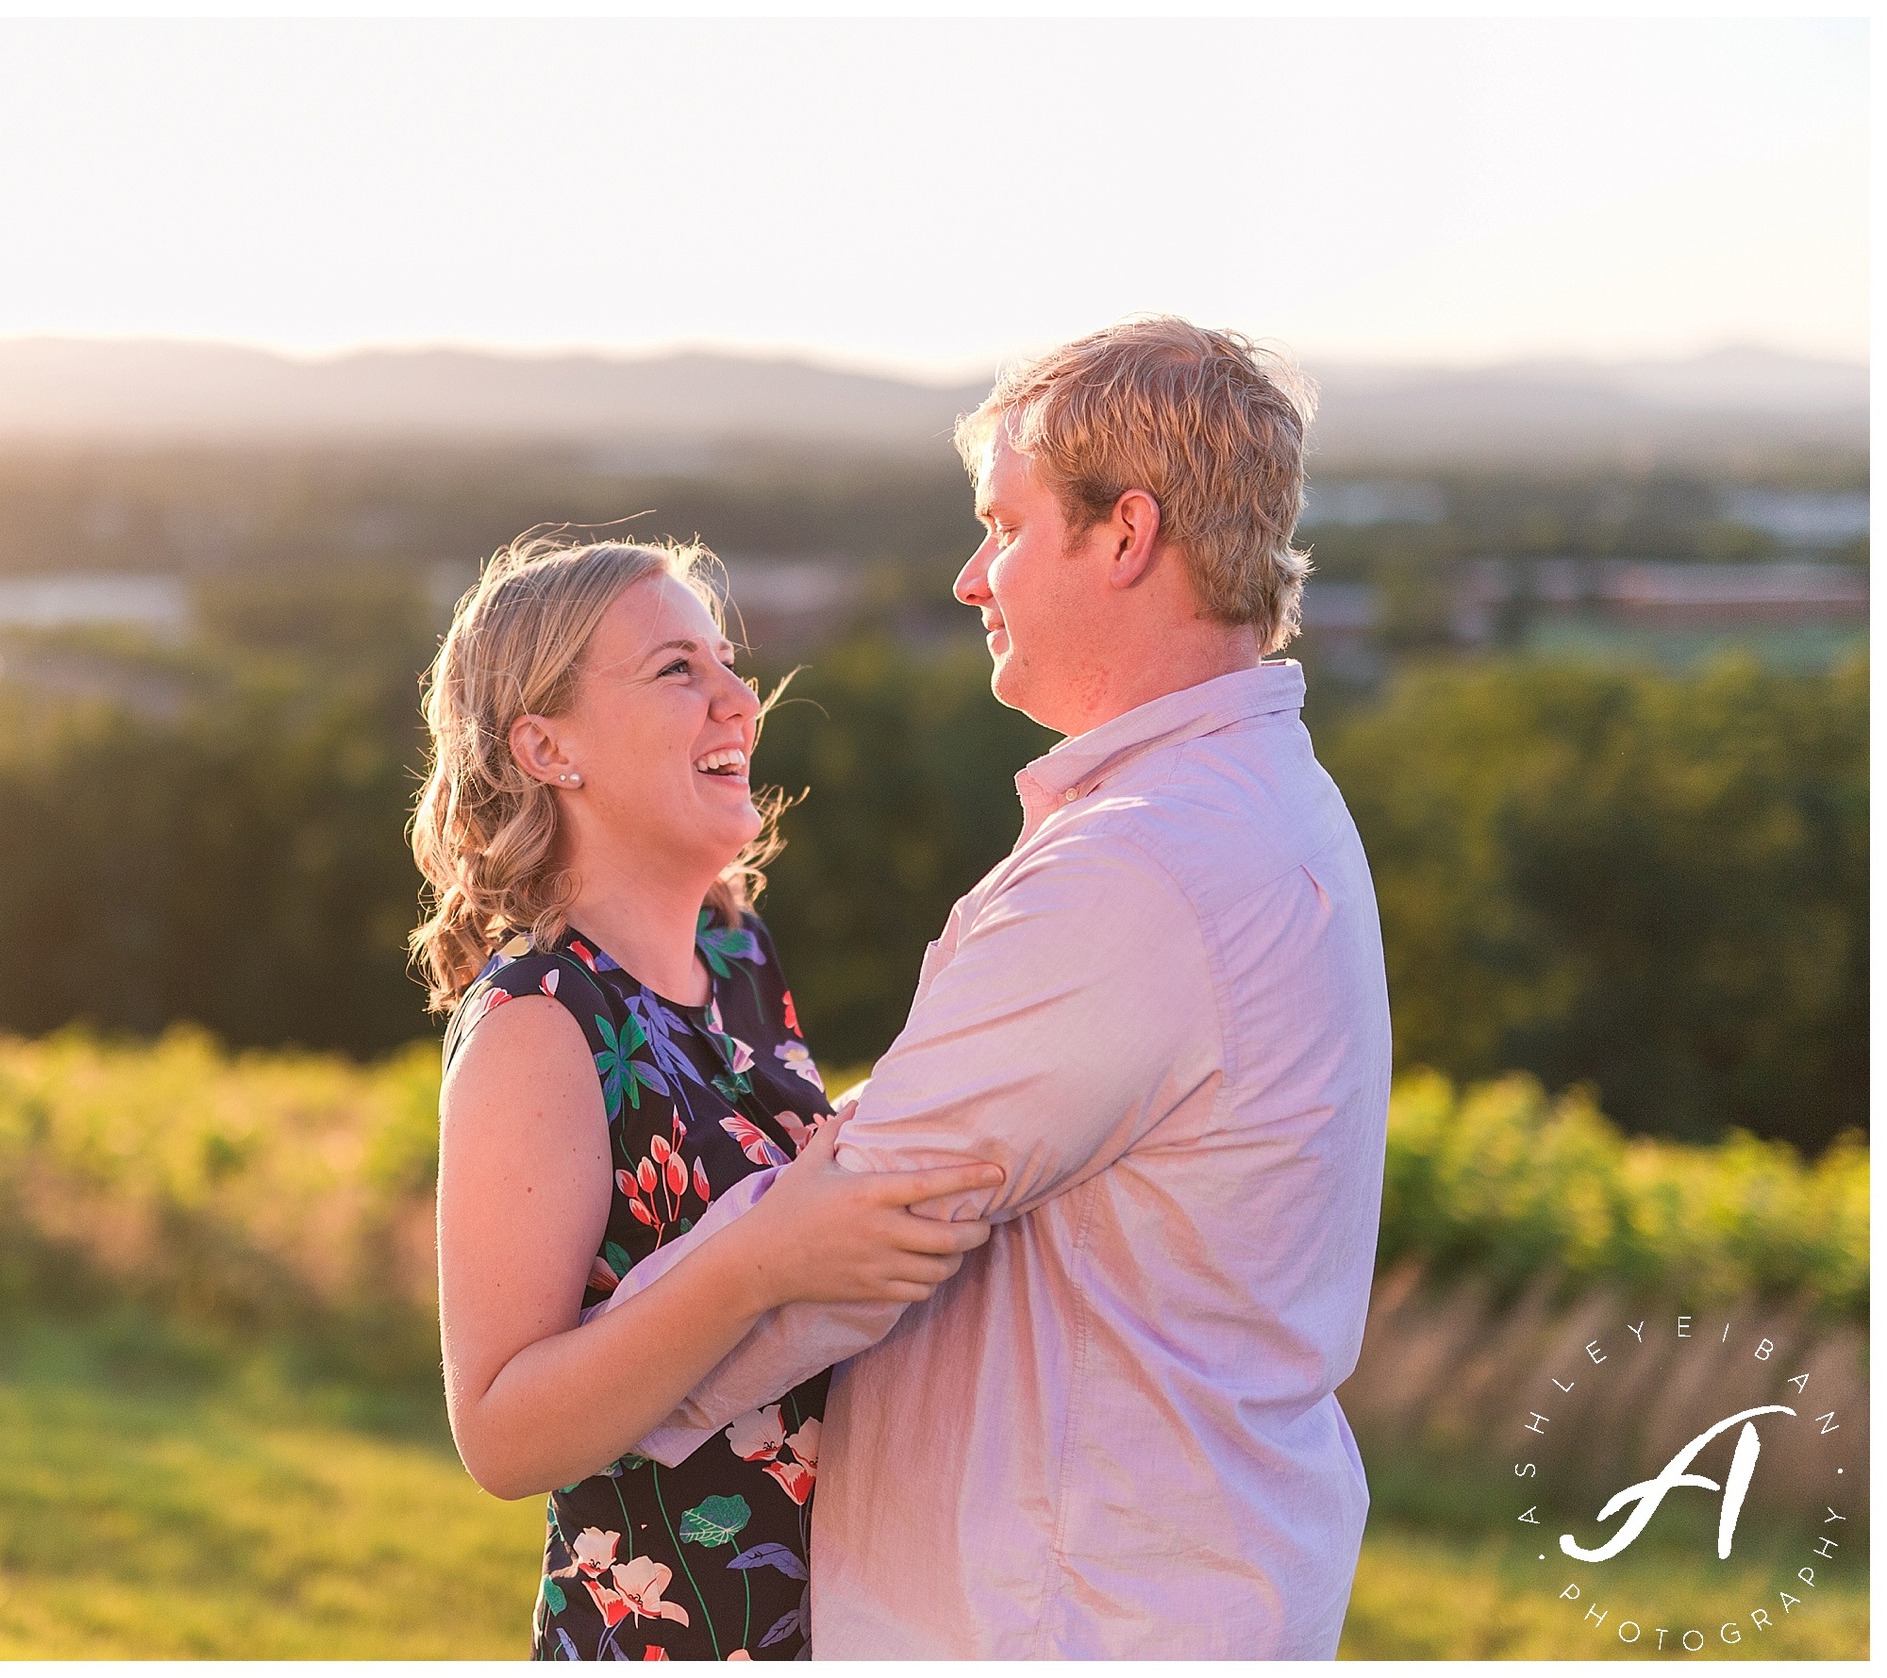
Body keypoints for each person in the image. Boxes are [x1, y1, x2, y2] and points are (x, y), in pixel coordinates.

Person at [590, 318, 1394, 1658]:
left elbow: (862, 1231)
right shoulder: (1259, 804)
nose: (972, 578)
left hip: (1061, 1618)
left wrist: (594, 1379)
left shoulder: (1140, 869)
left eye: (1005, 526)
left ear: (1125, 534)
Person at [410, 537, 1007, 1661]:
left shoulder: (737, 953)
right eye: (677, 669)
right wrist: (763, 1261)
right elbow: (499, 1430)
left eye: (726, 663)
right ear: (547, 746)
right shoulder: (541, 1022)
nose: (740, 700)